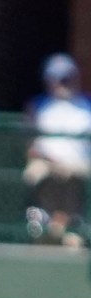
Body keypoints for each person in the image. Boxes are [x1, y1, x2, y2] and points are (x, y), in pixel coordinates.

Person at [27, 55, 91, 244]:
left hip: (79, 164)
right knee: (36, 172)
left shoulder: (86, 106)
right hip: (46, 162)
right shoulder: (38, 106)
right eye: (56, 79)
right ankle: (47, 228)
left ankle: (69, 228)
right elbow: (31, 147)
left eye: (65, 79)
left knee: (74, 176)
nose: (61, 84)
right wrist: (51, 161)